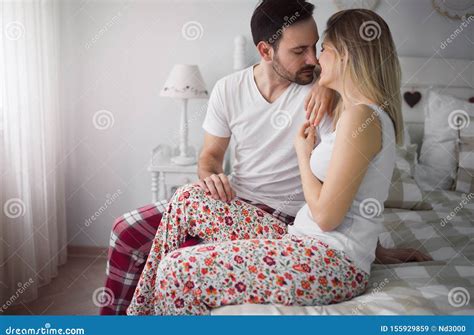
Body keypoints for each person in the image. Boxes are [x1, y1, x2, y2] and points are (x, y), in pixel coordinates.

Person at [126, 7, 432, 315]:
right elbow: (355, 195)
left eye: (323, 49)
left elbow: (328, 217)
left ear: (346, 57)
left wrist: (303, 153)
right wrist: (325, 87)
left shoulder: (359, 117)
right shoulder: (357, 112)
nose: (315, 59)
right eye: (305, 50)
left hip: (329, 259)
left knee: (176, 269)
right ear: (265, 50)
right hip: (305, 240)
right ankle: (138, 320)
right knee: (186, 197)